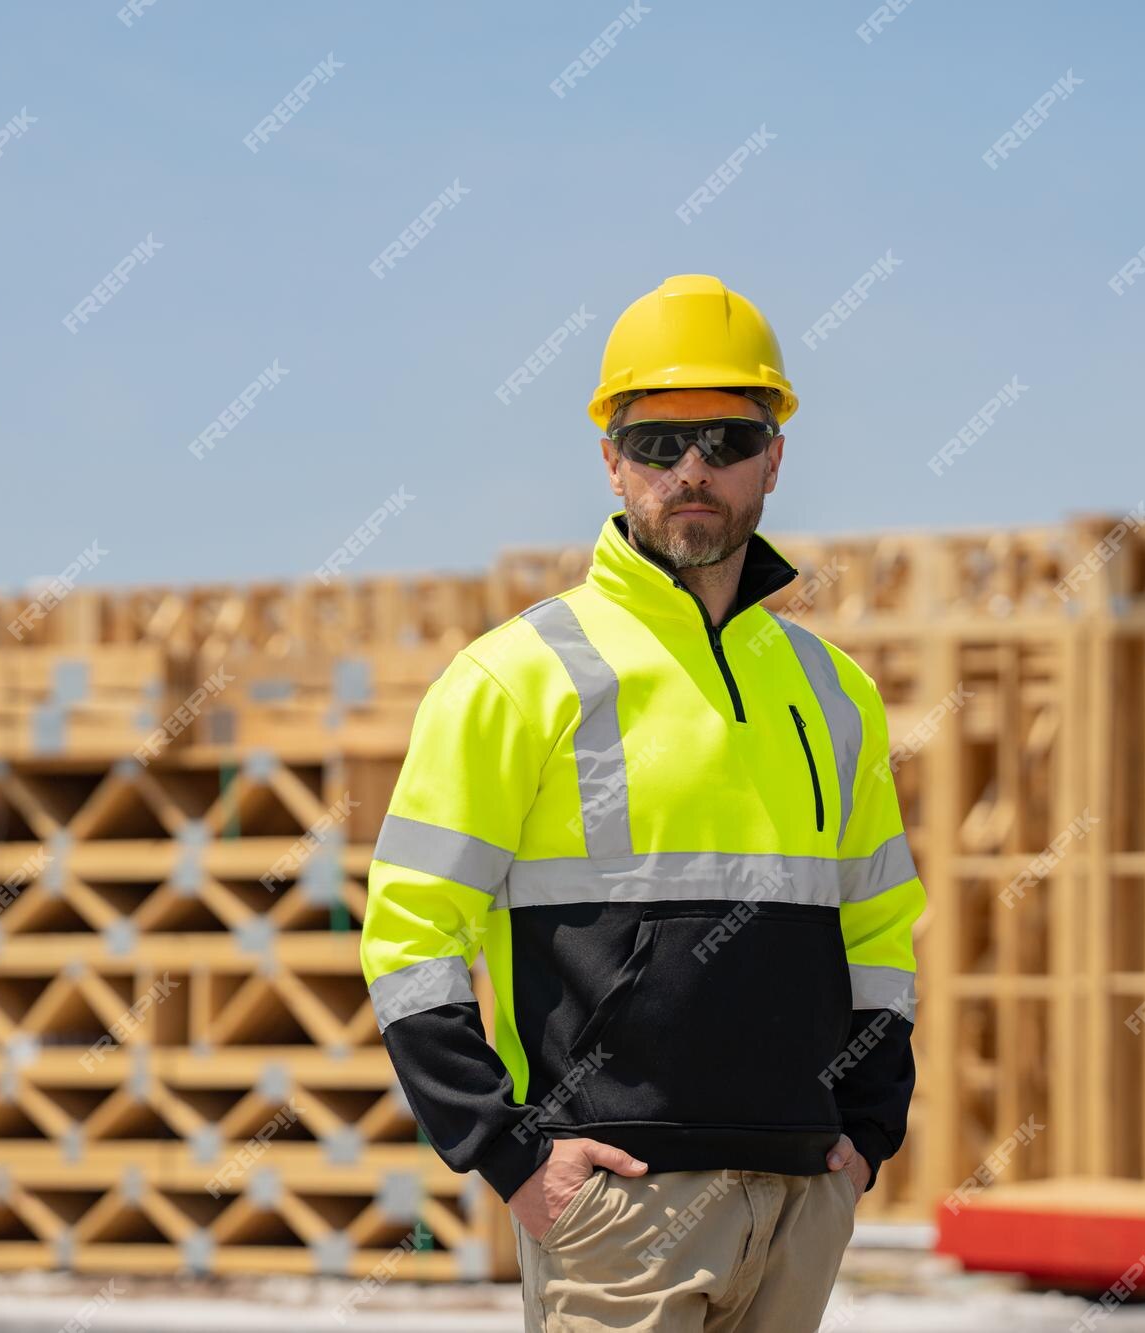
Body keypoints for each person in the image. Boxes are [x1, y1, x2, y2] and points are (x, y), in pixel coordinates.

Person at [360, 274, 923, 1331]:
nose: (692, 470)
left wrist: (865, 1128)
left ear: (775, 454)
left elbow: (880, 924)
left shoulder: (831, 692)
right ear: (609, 459)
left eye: (725, 436)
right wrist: (508, 1153)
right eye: (658, 443)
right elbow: (407, 935)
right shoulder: (515, 676)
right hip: (620, 1207)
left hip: (801, 1199)